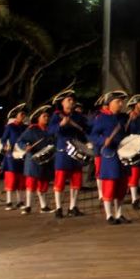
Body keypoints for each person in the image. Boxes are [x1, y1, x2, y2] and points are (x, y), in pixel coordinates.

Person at [89, 90, 132, 225]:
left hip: (123, 155)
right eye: (118, 102)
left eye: (121, 102)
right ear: (109, 104)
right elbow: (93, 136)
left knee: (121, 186)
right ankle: (109, 215)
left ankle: (119, 214)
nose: (121, 104)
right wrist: (103, 140)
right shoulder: (102, 118)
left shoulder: (123, 118)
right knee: (110, 185)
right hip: (110, 156)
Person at [49, 88, 90, 218]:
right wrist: (60, 124)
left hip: (76, 151)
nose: (71, 102)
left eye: (72, 100)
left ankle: (73, 207)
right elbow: (50, 131)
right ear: (62, 103)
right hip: (63, 151)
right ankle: (58, 208)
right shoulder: (56, 116)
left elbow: (86, 129)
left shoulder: (78, 117)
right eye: (69, 100)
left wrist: (88, 142)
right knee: (60, 181)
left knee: (76, 181)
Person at [18, 105, 55, 215]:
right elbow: (20, 141)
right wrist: (26, 147)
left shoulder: (50, 130)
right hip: (33, 160)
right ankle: (28, 206)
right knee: (31, 184)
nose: (46, 118)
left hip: (46, 160)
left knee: (43, 183)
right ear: (38, 118)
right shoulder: (32, 129)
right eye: (44, 116)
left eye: (48, 116)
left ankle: (43, 206)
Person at [0, 103, 28, 210]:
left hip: (22, 155)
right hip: (11, 155)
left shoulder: (26, 127)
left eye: (24, 114)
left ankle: (20, 201)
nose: (23, 116)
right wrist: (5, 145)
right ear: (16, 116)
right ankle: (9, 202)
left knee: (21, 179)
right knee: (11, 179)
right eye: (21, 114)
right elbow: (3, 139)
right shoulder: (10, 127)